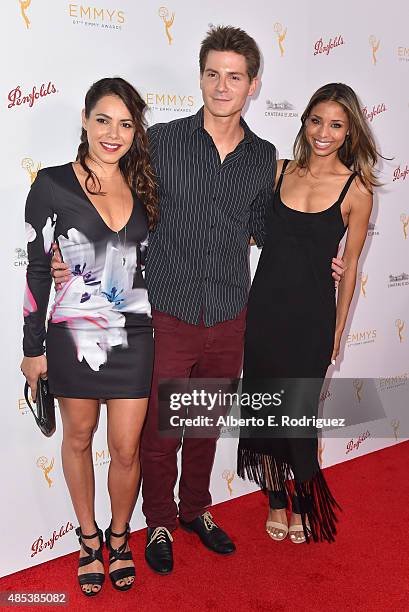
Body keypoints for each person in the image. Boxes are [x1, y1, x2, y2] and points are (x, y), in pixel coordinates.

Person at [51, 27, 345, 574]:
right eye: (212, 73)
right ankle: (158, 519)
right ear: (201, 77)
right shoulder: (161, 141)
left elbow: (271, 229)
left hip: (231, 312)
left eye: (235, 76)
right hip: (168, 308)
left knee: (205, 426)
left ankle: (195, 511)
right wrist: (69, 254)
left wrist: (325, 258)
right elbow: (115, 201)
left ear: (253, 85)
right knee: (162, 429)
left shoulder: (264, 158)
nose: (221, 85)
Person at [21, 77, 158, 595]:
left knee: (125, 448)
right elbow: (37, 270)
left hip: (134, 333)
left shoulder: (145, 183)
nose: (113, 133)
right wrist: (32, 349)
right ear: (84, 118)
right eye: (103, 119)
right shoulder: (52, 183)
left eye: (126, 124)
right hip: (73, 332)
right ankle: (87, 538)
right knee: (78, 439)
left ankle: (119, 536)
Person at [238, 83, 378, 544]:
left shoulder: (356, 191)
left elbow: (351, 266)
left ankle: (302, 501)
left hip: (311, 319)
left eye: (336, 125)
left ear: (348, 132)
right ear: (305, 122)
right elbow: (252, 232)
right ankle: (277, 501)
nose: (324, 132)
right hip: (264, 313)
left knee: (297, 418)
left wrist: (337, 332)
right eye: (317, 121)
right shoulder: (277, 172)